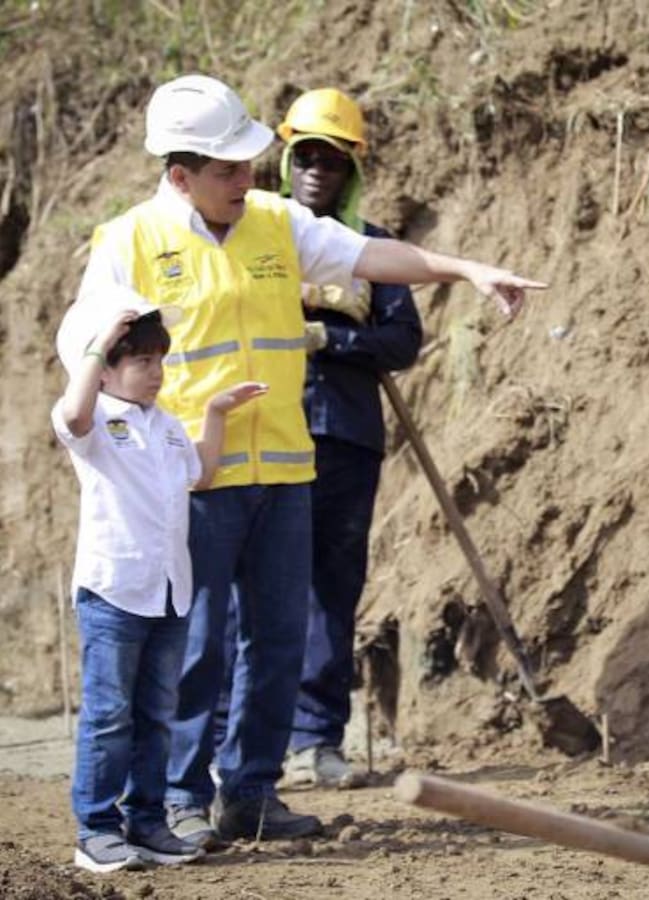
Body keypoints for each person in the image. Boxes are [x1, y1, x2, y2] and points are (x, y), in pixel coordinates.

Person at [71, 74, 544, 847]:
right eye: (228, 169)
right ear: (180, 176)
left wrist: (465, 269)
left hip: (287, 469)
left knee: (278, 640)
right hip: (195, 477)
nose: (248, 179)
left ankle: (251, 794)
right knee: (197, 647)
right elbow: (87, 350)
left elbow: (369, 255)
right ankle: (182, 797)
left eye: (249, 164)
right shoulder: (130, 241)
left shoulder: (274, 221)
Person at [52, 295, 265, 871]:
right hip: (114, 591)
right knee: (109, 715)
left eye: (159, 360)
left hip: (169, 591)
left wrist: (216, 413)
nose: (156, 372)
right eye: (142, 361)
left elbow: (203, 474)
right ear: (104, 368)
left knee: (155, 715)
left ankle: (147, 823)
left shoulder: (166, 425)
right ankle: (96, 830)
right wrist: (100, 343)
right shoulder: (92, 417)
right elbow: (73, 417)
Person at [279, 88, 422, 787]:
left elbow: (402, 340)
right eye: (306, 156)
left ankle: (315, 740)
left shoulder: (374, 246)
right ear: (287, 160)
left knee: (331, 590)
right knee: (252, 590)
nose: (316, 170)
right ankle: (240, 746)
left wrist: (332, 338)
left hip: (343, 437)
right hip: (262, 430)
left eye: (331, 160)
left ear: (351, 169)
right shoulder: (253, 236)